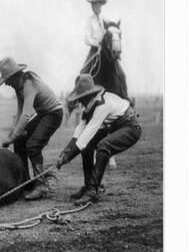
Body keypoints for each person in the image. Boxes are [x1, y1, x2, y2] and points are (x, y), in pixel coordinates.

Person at [56, 74, 141, 205]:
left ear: (90, 95)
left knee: (103, 146)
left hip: (130, 127)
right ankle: (88, 185)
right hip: (114, 127)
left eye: (82, 98)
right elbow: (79, 131)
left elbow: (86, 135)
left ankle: (92, 190)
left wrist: (68, 157)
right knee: (88, 147)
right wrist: (65, 152)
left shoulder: (102, 105)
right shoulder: (90, 105)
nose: (80, 102)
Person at [0, 57, 63, 200]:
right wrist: (13, 134)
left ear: (15, 76)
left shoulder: (28, 84)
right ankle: (26, 182)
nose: (7, 84)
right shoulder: (18, 86)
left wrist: (12, 136)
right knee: (20, 142)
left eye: (7, 79)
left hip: (53, 113)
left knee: (33, 145)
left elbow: (27, 113)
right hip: (43, 114)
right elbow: (20, 111)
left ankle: (41, 185)